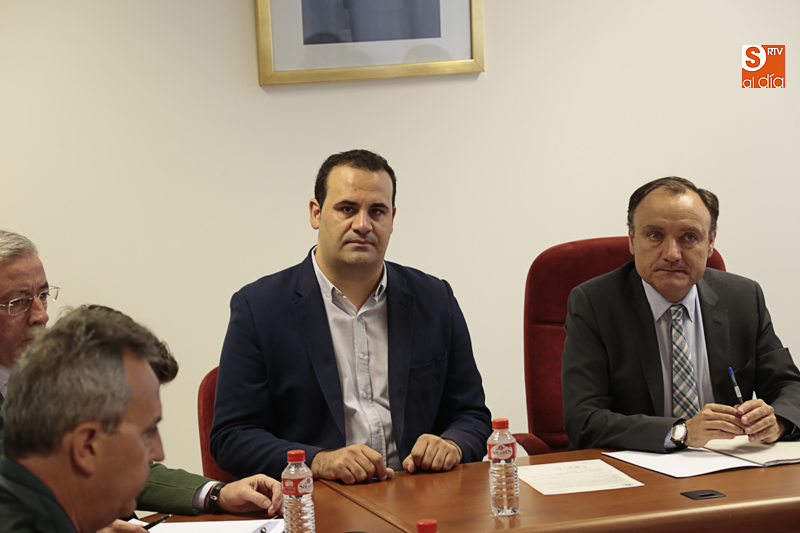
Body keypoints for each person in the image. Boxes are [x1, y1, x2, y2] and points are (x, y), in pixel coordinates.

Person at [210, 149, 491, 484]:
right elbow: (232, 436)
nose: (362, 225)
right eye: (347, 209)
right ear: (316, 213)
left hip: (419, 492)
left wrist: (453, 444)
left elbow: (471, 414)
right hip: (321, 496)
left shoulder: (434, 299)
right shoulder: (259, 307)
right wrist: (319, 461)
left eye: (377, 211)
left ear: (392, 219)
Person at [0, 231, 282, 531]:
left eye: (43, 296)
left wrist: (216, 493)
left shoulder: (54, 371)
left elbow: (116, 461)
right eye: (18, 302)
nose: (41, 315)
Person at [562, 177, 800, 452]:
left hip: (728, 465)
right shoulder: (594, 303)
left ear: (710, 243)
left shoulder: (744, 298)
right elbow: (583, 420)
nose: (672, 254)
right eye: (655, 236)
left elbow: (789, 387)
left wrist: (777, 422)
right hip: (634, 466)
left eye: (689, 237)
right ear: (632, 240)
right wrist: (682, 432)